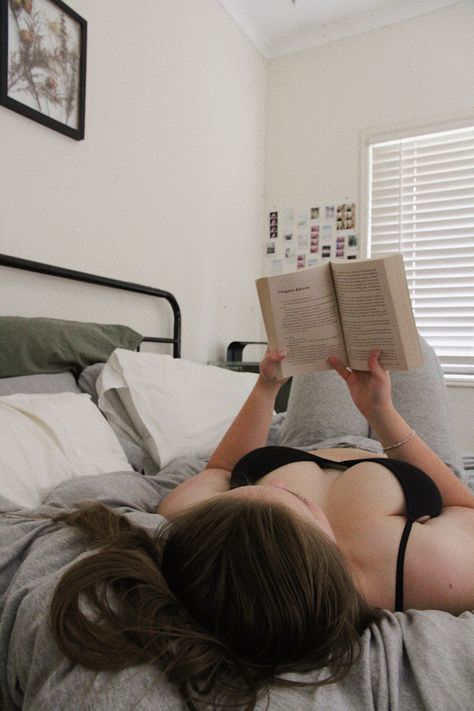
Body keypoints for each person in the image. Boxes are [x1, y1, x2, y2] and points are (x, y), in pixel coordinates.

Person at [48, 343, 474, 711]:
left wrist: (267, 386)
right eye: (295, 499)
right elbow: (461, 503)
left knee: (331, 347)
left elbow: (223, 467)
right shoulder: (424, 572)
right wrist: (381, 412)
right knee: (411, 348)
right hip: (408, 451)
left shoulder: (196, 525)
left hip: (308, 438)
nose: (288, 485)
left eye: (244, 490)